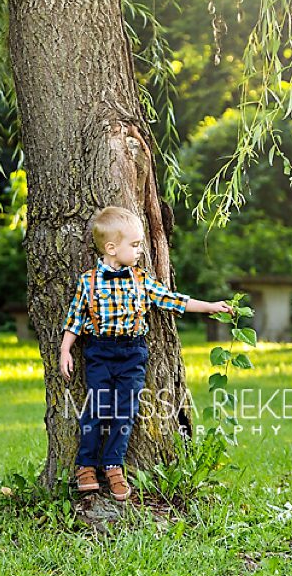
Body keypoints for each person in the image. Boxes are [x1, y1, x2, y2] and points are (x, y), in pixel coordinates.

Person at [59, 205, 231, 502]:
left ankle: (113, 465)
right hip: (99, 352)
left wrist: (210, 306)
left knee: (125, 411)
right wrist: (65, 349)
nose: (140, 250)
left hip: (132, 354)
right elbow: (75, 319)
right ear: (112, 248)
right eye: (135, 245)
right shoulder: (88, 282)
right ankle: (85, 465)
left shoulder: (141, 280)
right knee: (96, 409)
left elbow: (173, 300)